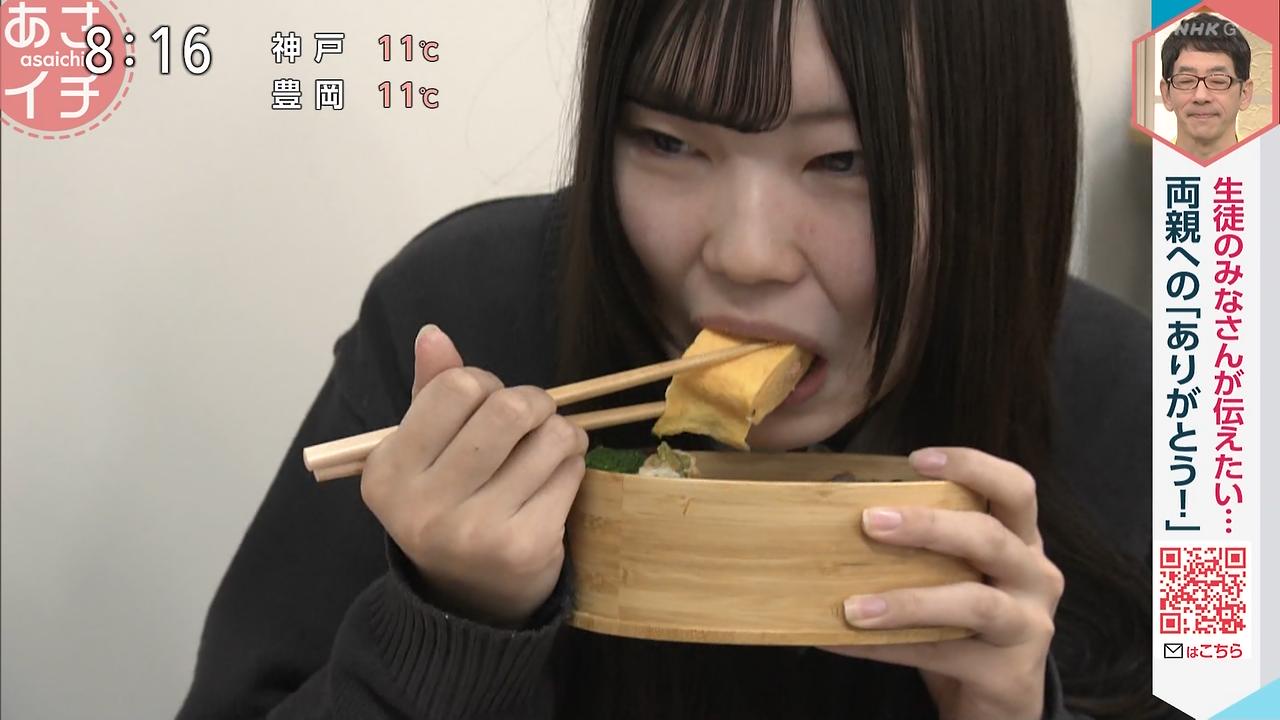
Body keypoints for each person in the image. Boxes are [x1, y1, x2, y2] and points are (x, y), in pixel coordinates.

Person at [177, 0, 1186, 717]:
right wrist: (446, 622)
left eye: (845, 160)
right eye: (666, 141)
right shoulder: (471, 326)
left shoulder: (1143, 403)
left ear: (1002, 159)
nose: (744, 254)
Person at [1159, 12, 1254, 161]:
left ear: (1245, 94)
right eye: (1186, 81)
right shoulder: (1145, 168)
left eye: (1218, 81)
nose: (1201, 96)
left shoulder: (1269, 168)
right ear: (1166, 94)